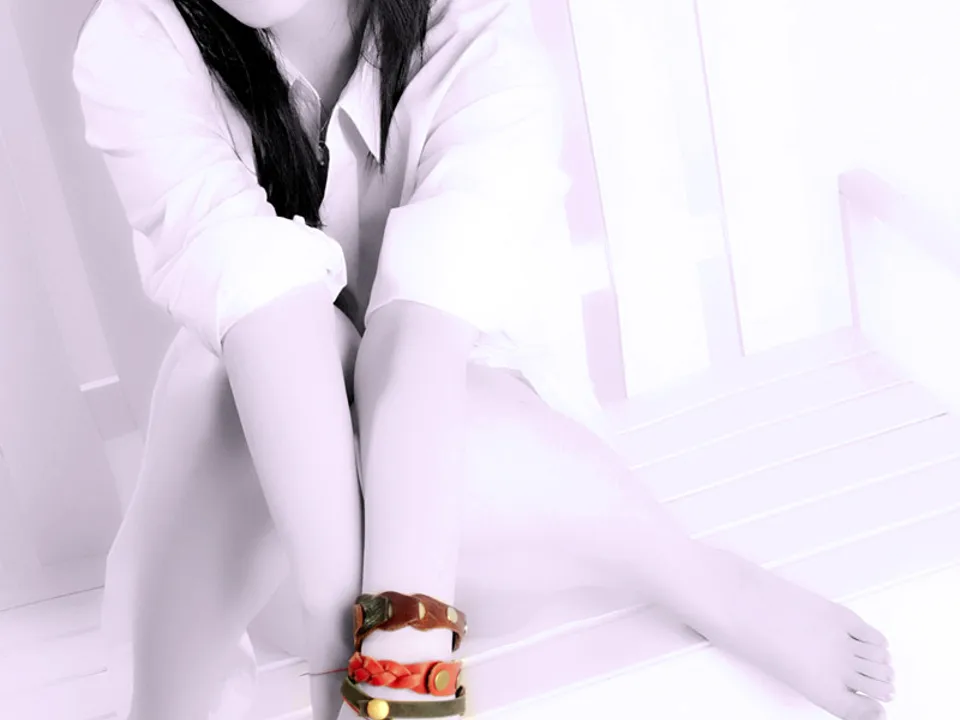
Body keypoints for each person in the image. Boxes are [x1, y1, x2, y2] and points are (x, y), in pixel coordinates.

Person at [72, 0, 895, 719]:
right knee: (222, 383)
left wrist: (398, 677)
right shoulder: (136, 45)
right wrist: (342, 666)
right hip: (273, 555)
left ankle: (693, 574)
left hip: (480, 514)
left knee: (419, 400)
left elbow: (414, 356)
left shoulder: (475, 33)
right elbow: (265, 314)